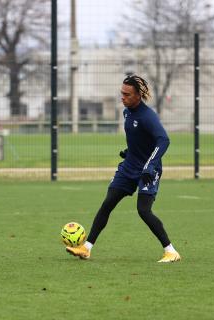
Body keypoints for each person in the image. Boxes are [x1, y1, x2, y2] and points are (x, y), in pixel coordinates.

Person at [66, 75, 181, 263]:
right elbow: (140, 139)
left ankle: (171, 251)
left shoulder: (148, 116)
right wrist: (129, 151)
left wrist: (150, 165)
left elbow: (163, 140)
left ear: (138, 95)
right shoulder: (127, 112)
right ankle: (86, 248)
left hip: (148, 170)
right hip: (129, 167)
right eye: (122, 93)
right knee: (108, 203)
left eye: (127, 94)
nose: (123, 97)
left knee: (143, 210)